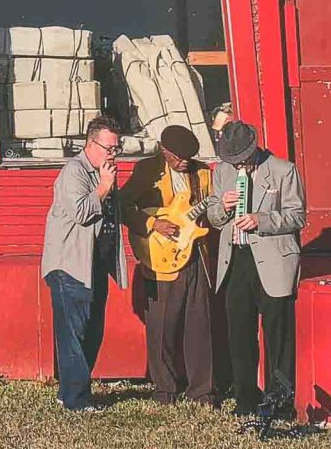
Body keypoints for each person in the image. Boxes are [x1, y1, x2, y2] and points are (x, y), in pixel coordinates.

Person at [197, 119, 305, 416]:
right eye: (232, 159)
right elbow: (215, 217)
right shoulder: (223, 172)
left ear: (254, 147)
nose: (238, 164)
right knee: (240, 334)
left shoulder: (283, 170)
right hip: (235, 259)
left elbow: (297, 216)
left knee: (277, 335)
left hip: (272, 259)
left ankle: (280, 401)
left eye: (241, 158)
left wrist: (262, 220)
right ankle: (245, 399)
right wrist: (224, 208)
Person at [122, 125, 216, 404]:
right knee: (162, 324)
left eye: (189, 157)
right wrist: (152, 223)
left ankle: (203, 391)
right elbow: (123, 205)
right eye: (179, 158)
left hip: (196, 255)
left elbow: (211, 211)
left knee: (200, 324)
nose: (184, 162)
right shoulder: (146, 171)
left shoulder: (202, 174)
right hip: (160, 256)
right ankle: (165, 389)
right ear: (165, 151)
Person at [40, 114, 128, 412]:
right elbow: (80, 212)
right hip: (69, 265)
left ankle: (71, 391)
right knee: (73, 332)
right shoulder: (74, 172)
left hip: (94, 264)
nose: (113, 154)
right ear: (91, 144)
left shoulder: (105, 172)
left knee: (92, 329)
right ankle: (76, 400)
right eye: (109, 148)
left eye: (117, 148)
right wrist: (104, 187)